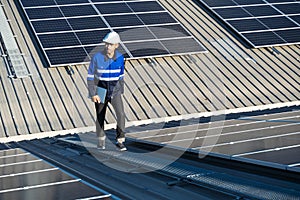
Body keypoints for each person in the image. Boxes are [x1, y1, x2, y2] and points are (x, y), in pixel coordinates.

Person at [87, 31, 126, 151]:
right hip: (101, 91)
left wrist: (120, 90)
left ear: (116, 45)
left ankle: (120, 140)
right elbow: (90, 77)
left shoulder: (120, 58)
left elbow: (121, 75)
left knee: (120, 115)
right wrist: (93, 94)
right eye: (106, 44)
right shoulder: (97, 58)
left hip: (115, 92)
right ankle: (101, 140)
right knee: (100, 116)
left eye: (110, 44)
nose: (107, 46)